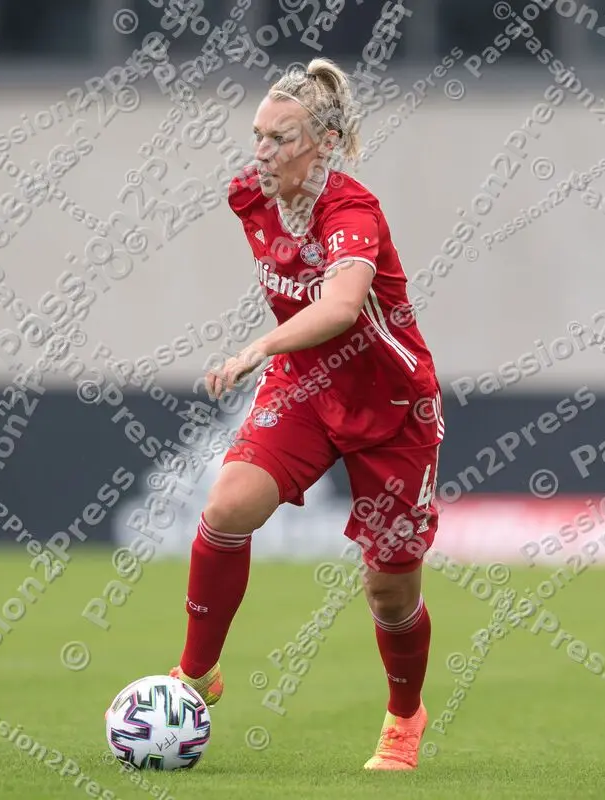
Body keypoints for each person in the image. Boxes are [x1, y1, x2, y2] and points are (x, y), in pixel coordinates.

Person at [169, 58, 444, 771]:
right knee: (228, 506)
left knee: (388, 588)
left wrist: (257, 345)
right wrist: (279, 359)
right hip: (304, 389)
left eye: (279, 140)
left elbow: (343, 305)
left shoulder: (353, 211)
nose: (261, 153)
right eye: (257, 136)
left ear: (322, 143)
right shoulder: (249, 195)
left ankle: (404, 715)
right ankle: (196, 675)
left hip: (391, 407)